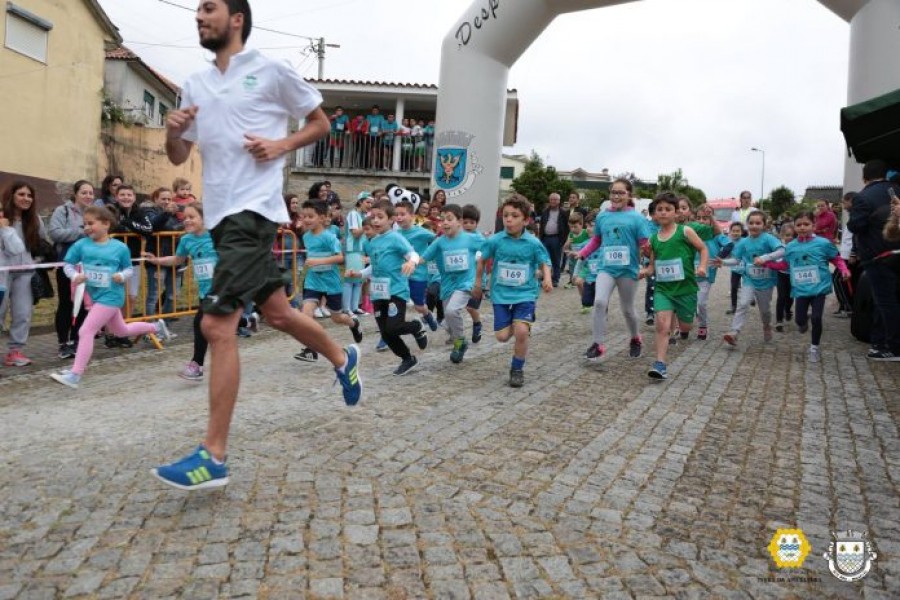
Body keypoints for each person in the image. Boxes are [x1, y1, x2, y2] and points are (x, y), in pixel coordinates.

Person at [156, 0, 361, 491]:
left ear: (236, 18)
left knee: (216, 324)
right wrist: (174, 134)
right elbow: (180, 155)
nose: (199, 16)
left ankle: (215, 456)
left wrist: (280, 147)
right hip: (221, 218)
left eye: (208, 8)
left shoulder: (271, 70)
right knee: (278, 313)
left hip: (255, 212)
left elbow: (320, 122)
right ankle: (342, 358)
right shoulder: (195, 84)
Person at [49, 206, 172, 389]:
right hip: (96, 295)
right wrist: (74, 276)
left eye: (91, 223)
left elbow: (129, 269)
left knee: (85, 332)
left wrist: (121, 276)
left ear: (106, 224)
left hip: (112, 296)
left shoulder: (120, 248)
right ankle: (155, 326)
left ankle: (75, 375)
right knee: (121, 331)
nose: (87, 228)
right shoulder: (81, 245)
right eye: (84, 225)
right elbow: (67, 264)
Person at [473, 194, 552, 387]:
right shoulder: (496, 240)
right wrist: (477, 283)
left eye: (514, 216)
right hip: (500, 293)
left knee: (521, 332)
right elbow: (481, 259)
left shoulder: (533, 242)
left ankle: (517, 368)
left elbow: (544, 262)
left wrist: (547, 278)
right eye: (505, 215)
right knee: (501, 337)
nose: (508, 219)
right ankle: (518, 324)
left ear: (526, 220)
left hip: (525, 293)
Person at [346, 199, 427, 375]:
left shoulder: (396, 238)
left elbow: (412, 254)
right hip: (378, 293)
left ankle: (415, 327)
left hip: (396, 291)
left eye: (380, 217)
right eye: (372, 217)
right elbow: (374, 266)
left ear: (390, 220)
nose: (375, 221)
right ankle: (408, 359)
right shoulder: (370, 242)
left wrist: (411, 263)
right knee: (386, 332)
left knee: (393, 327)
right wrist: (359, 274)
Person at [761, 211, 850, 363]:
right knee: (799, 320)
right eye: (799, 225)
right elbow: (785, 265)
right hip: (801, 290)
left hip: (818, 288)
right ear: (795, 227)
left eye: (806, 224)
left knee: (816, 318)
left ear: (814, 226)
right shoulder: (791, 246)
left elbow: (836, 258)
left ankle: (814, 347)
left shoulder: (823, 243)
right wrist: (768, 263)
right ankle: (803, 324)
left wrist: (844, 270)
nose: (802, 228)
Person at [576, 178, 649, 361]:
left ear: (629, 195)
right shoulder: (602, 216)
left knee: (627, 309)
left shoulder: (637, 218)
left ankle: (635, 339)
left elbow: (645, 244)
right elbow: (597, 240)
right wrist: (583, 253)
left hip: (627, 270)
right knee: (600, 302)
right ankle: (598, 344)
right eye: (613, 193)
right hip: (606, 268)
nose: (616, 196)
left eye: (621, 193)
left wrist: (649, 264)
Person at [639, 193, 708, 380]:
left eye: (668, 209)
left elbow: (703, 249)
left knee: (687, 326)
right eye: (659, 210)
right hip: (663, 289)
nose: (663, 213)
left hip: (685, 288)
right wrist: (645, 271)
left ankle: (683, 323)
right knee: (662, 326)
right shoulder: (653, 238)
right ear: (654, 215)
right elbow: (653, 265)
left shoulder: (685, 232)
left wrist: (701, 266)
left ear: (676, 212)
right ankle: (660, 364)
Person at [144, 203, 215, 380]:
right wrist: (157, 260)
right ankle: (246, 319)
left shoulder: (216, 236)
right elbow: (178, 259)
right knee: (215, 325)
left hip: (223, 288)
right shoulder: (186, 240)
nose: (187, 220)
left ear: (204, 219)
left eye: (192, 217)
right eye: (185, 217)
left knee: (200, 323)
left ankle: (196, 365)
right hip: (204, 291)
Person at [293, 199, 363, 362]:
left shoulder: (329, 237)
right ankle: (311, 350)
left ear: (322, 217)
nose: (307, 219)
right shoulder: (306, 237)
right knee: (306, 314)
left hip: (331, 282)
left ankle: (354, 324)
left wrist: (318, 262)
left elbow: (340, 257)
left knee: (337, 318)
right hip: (313, 280)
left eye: (311, 216)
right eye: (304, 216)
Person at [848, 159, 900, 360]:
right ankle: (879, 343)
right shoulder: (896, 189)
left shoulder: (864, 197)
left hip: (878, 256)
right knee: (890, 300)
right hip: (896, 255)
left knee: (885, 302)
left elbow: (855, 226)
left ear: (864, 177)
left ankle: (893, 347)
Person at [420, 204, 481, 363]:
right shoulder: (440, 242)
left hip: (466, 283)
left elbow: (490, 249)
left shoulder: (471, 239)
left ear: (459, 221)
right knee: (447, 322)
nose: (444, 223)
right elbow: (424, 257)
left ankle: (459, 342)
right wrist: (410, 263)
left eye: (449, 219)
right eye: (442, 219)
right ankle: (459, 341)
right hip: (447, 286)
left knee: (452, 311)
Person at [1, 181, 50, 367]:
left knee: (23, 313)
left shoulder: (34, 219)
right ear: (11, 196)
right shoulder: (2, 218)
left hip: (25, 273)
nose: (26, 199)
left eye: (29, 196)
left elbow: (40, 242)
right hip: (3, 273)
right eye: (21, 194)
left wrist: (36, 259)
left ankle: (14, 351)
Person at [716, 211, 782, 347]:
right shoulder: (743, 242)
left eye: (758, 223)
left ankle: (766, 326)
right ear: (747, 225)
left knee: (765, 311)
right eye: (751, 223)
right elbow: (736, 260)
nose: (754, 226)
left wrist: (765, 258)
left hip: (766, 282)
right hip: (749, 280)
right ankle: (734, 332)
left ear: (764, 225)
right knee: (743, 304)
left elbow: (782, 251)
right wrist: (723, 262)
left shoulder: (768, 238)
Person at [48, 180, 93, 359]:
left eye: (91, 193)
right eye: (84, 192)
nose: (88, 196)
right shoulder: (63, 211)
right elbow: (55, 232)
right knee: (67, 303)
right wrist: (81, 232)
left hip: (88, 265)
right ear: (75, 194)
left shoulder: (93, 213)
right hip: (67, 264)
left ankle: (76, 340)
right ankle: (63, 342)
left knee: (83, 304)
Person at [394, 200, 439, 330]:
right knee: (397, 303)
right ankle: (389, 333)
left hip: (418, 275)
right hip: (400, 276)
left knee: (419, 306)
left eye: (402, 214)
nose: (399, 217)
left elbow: (438, 242)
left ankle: (428, 315)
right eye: (396, 215)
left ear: (412, 216)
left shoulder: (422, 232)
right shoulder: (395, 235)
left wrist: (427, 257)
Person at [693, 205, 731, 340]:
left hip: (706, 276)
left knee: (701, 303)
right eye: (698, 218)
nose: (701, 221)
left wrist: (720, 257)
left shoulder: (716, 237)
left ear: (711, 221)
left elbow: (729, 245)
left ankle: (703, 325)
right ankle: (681, 326)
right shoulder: (690, 234)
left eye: (705, 218)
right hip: (689, 275)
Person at [144, 187, 183, 318]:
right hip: (156, 259)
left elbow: (176, 229)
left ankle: (163, 326)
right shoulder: (148, 211)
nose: (167, 202)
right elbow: (154, 225)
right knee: (153, 296)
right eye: (163, 199)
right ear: (155, 199)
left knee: (172, 296)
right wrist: (166, 214)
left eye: (169, 199)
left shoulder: (173, 214)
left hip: (174, 259)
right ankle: (149, 331)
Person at [461, 204, 486, 343]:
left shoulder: (480, 239)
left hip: (476, 281)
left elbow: (486, 256)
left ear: (477, 223)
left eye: (472, 222)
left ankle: (477, 324)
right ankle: (454, 332)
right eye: (465, 222)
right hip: (460, 280)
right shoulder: (458, 237)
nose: (468, 225)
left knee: (471, 307)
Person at [833, 192, 857, 317]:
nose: (843, 205)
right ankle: (844, 306)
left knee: (838, 279)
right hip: (845, 254)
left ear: (850, 201)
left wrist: (853, 253)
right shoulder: (853, 215)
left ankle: (848, 307)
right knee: (838, 279)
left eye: (844, 202)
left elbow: (857, 236)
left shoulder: (857, 216)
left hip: (848, 255)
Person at [538, 193, 569, 287]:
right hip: (545, 238)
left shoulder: (563, 212)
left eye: (555, 199)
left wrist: (564, 239)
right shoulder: (545, 211)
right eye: (551, 199)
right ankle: (544, 277)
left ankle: (555, 279)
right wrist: (540, 238)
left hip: (557, 238)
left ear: (559, 201)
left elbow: (566, 226)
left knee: (556, 259)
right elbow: (542, 224)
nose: (553, 201)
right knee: (544, 259)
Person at [773, 221, 796, 332]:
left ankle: (788, 310)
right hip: (781, 274)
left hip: (793, 276)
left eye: (792, 235)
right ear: (782, 236)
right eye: (787, 235)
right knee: (781, 296)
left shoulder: (797, 246)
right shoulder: (779, 247)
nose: (790, 238)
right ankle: (779, 320)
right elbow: (774, 259)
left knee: (790, 297)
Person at [563, 212, 589, 288]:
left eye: (575, 227)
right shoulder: (571, 234)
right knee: (573, 271)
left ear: (581, 224)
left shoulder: (585, 233)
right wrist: (567, 244)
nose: (572, 229)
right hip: (573, 259)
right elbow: (564, 249)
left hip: (583, 259)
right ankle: (573, 281)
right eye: (571, 227)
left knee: (583, 273)